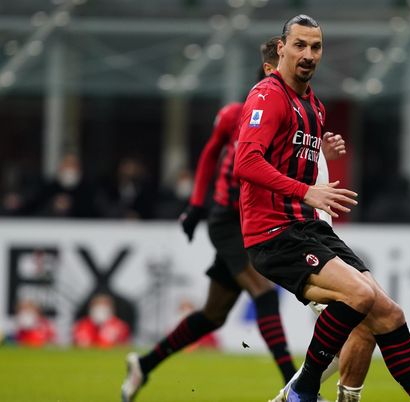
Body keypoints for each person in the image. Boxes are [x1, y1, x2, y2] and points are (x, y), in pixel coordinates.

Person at [234, 15, 410, 402]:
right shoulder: (267, 94)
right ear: (281, 48)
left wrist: (318, 155)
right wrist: (306, 192)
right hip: (275, 235)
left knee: (389, 314)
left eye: (316, 47)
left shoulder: (313, 105)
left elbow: (289, 158)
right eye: (299, 45)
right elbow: (245, 163)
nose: (308, 54)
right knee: (359, 297)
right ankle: (304, 388)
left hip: (309, 229)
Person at [120, 37, 302, 402]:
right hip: (227, 221)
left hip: (256, 220)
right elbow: (209, 153)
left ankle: (144, 365)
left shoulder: (291, 117)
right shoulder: (238, 114)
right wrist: (196, 206)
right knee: (264, 293)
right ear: (268, 72)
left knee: (213, 314)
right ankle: (295, 389)